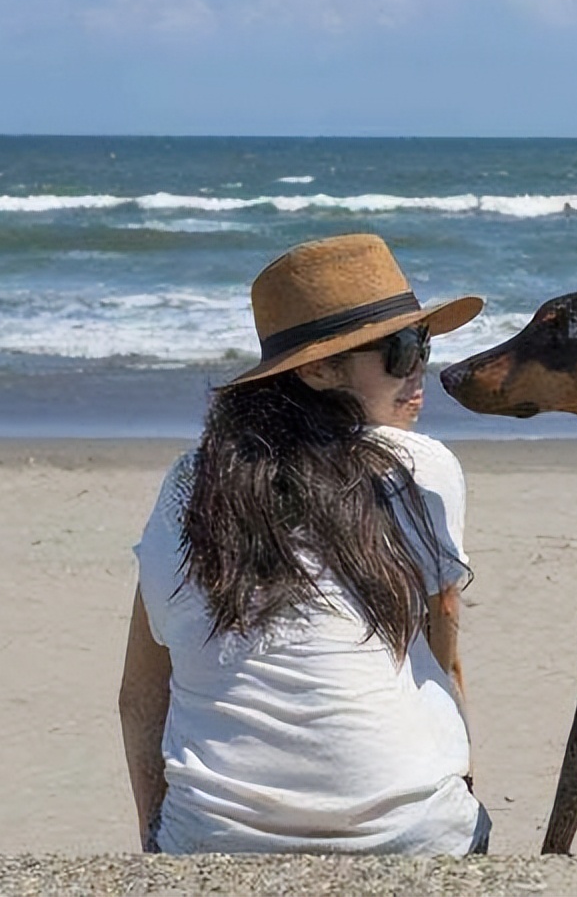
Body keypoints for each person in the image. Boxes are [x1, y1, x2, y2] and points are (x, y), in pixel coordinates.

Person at [118, 233, 489, 855]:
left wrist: (159, 837)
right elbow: (444, 659)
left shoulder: (192, 482)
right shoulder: (420, 466)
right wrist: (464, 789)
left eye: (423, 344)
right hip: (410, 837)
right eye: (399, 351)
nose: (419, 368)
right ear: (317, 369)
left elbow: (138, 694)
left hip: (213, 839)